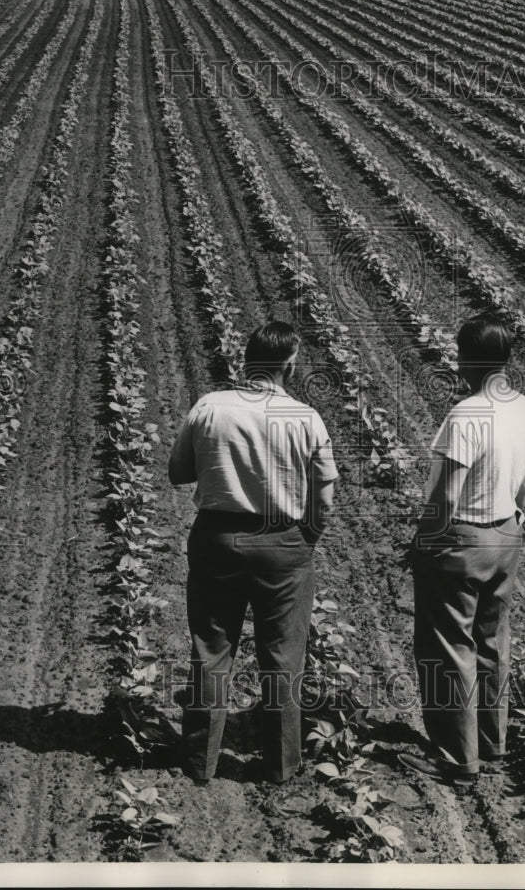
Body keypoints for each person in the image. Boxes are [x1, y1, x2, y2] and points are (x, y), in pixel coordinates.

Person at [168, 320, 338, 785]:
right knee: (283, 657)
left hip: (217, 539)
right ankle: (280, 766)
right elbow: (324, 492)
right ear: (289, 363)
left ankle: (199, 761)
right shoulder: (306, 417)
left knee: (212, 650)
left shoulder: (209, 407)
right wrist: (308, 538)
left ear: (247, 361)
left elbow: (178, 471)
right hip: (283, 544)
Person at [400, 314, 525, 785]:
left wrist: (423, 543)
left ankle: (456, 759)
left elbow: (445, 497)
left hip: (462, 539)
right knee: (490, 641)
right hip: (507, 535)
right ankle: (491, 740)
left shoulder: (467, 415)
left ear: (470, 359)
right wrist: (514, 521)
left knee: (448, 649)